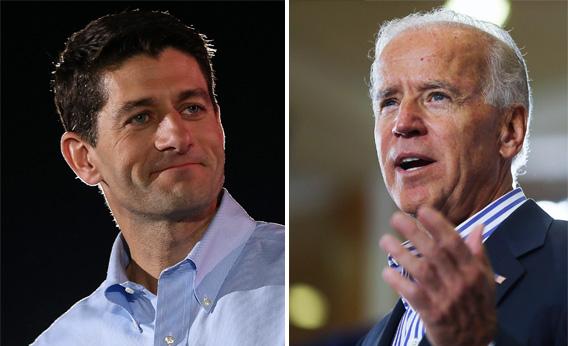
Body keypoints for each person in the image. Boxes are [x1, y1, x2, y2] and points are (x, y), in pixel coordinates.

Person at [32, 10, 284, 346]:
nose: (177, 137)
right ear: (84, 159)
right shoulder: (63, 341)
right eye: (140, 118)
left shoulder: (294, 278)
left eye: (192, 108)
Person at [359, 8, 566, 346]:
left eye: (437, 96)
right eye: (389, 102)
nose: (403, 123)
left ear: (509, 131)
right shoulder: (374, 337)